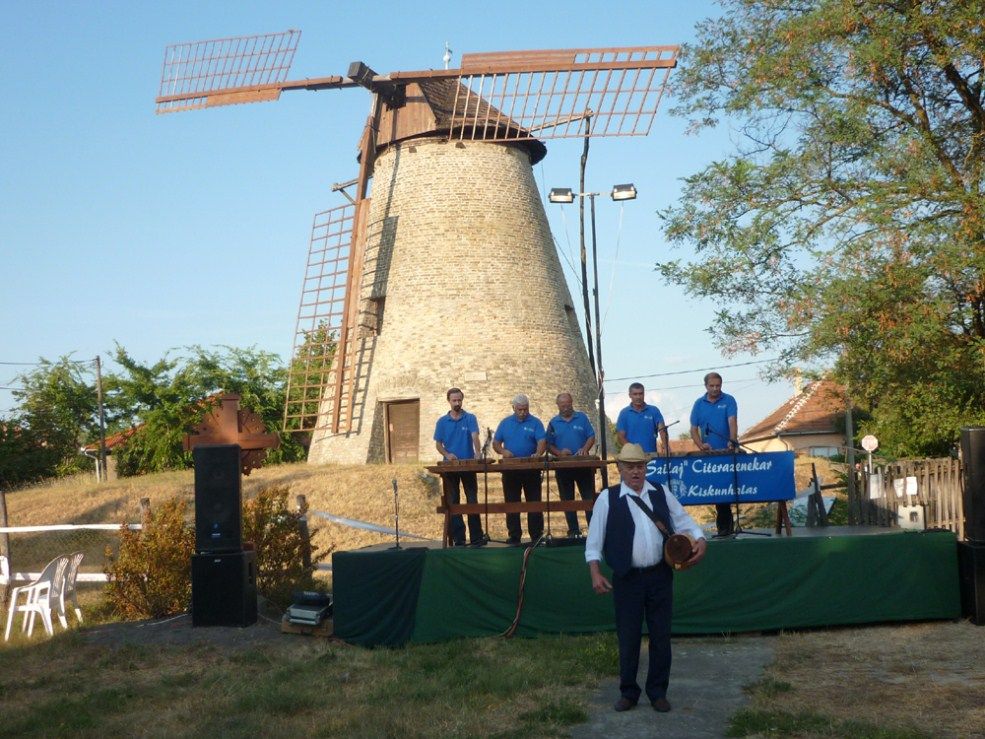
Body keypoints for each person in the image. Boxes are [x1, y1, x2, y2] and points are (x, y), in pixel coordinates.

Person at [585, 443, 707, 714]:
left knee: (661, 636)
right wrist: (595, 572)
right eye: (630, 467)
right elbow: (594, 540)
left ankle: (658, 692)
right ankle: (628, 692)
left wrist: (700, 540)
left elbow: (685, 521)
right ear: (620, 469)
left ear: (645, 468)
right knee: (628, 637)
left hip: (659, 576)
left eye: (640, 466)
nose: (636, 472)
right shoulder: (607, 498)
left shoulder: (661, 493)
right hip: (627, 579)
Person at [433, 387, 484, 547]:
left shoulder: (470, 418)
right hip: (450, 467)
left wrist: (477, 452)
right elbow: (438, 444)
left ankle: (476, 537)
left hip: (468, 466)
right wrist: (447, 454)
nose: (457, 403)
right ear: (449, 401)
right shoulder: (442, 422)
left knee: (472, 500)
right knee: (453, 502)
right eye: (454, 400)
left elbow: (475, 436)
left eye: (459, 400)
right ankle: (458, 538)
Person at [689, 372, 739, 536]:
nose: (715, 388)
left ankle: (725, 528)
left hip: (726, 454)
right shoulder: (698, 404)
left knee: (725, 491)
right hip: (708, 456)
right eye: (712, 386)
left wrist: (732, 440)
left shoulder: (729, 400)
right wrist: (700, 445)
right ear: (706, 386)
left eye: (718, 385)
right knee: (715, 491)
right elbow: (693, 429)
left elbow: (732, 421)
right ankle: (724, 528)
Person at [493, 394, 547, 545]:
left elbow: (542, 441)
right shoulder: (505, 423)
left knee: (534, 502)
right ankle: (514, 535)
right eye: (520, 410)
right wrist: (503, 451)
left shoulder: (535, 422)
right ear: (513, 408)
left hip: (531, 469)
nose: (523, 412)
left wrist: (538, 453)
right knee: (512, 503)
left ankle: (536, 535)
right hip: (511, 470)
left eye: (525, 409)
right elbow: (496, 443)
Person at [547, 392, 597, 537]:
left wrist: (585, 449)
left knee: (588, 499)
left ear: (572, 402)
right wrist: (559, 453)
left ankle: (594, 531)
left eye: (568, 404)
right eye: (562, 405)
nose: (566, 407)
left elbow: (591, 436)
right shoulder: (553, 423)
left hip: (583, 466)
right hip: (563, 467)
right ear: (558, 405)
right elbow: (548, 444)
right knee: (567, 501)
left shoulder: (582, 418)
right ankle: (573, 531)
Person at [616, 382, 669, 455]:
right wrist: (633, 451)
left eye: (640, 394)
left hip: (651, 455)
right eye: (635, 394)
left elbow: (662, 430)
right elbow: (620, 437)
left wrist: (665, 446)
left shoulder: (654, 410)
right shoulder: (624, 413)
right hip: (632, 456)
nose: (638, 397)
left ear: (644, 394)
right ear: (630, 395)